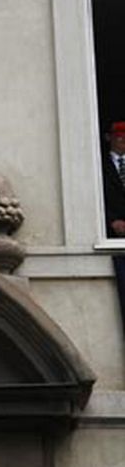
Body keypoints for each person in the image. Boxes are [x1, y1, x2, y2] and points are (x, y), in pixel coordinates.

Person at [103, 120, 125, 328]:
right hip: (114, 235)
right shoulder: (99, 165)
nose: (123, 141)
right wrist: (111, 221)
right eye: (120, 137)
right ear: (109, 138)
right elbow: (97, 196)